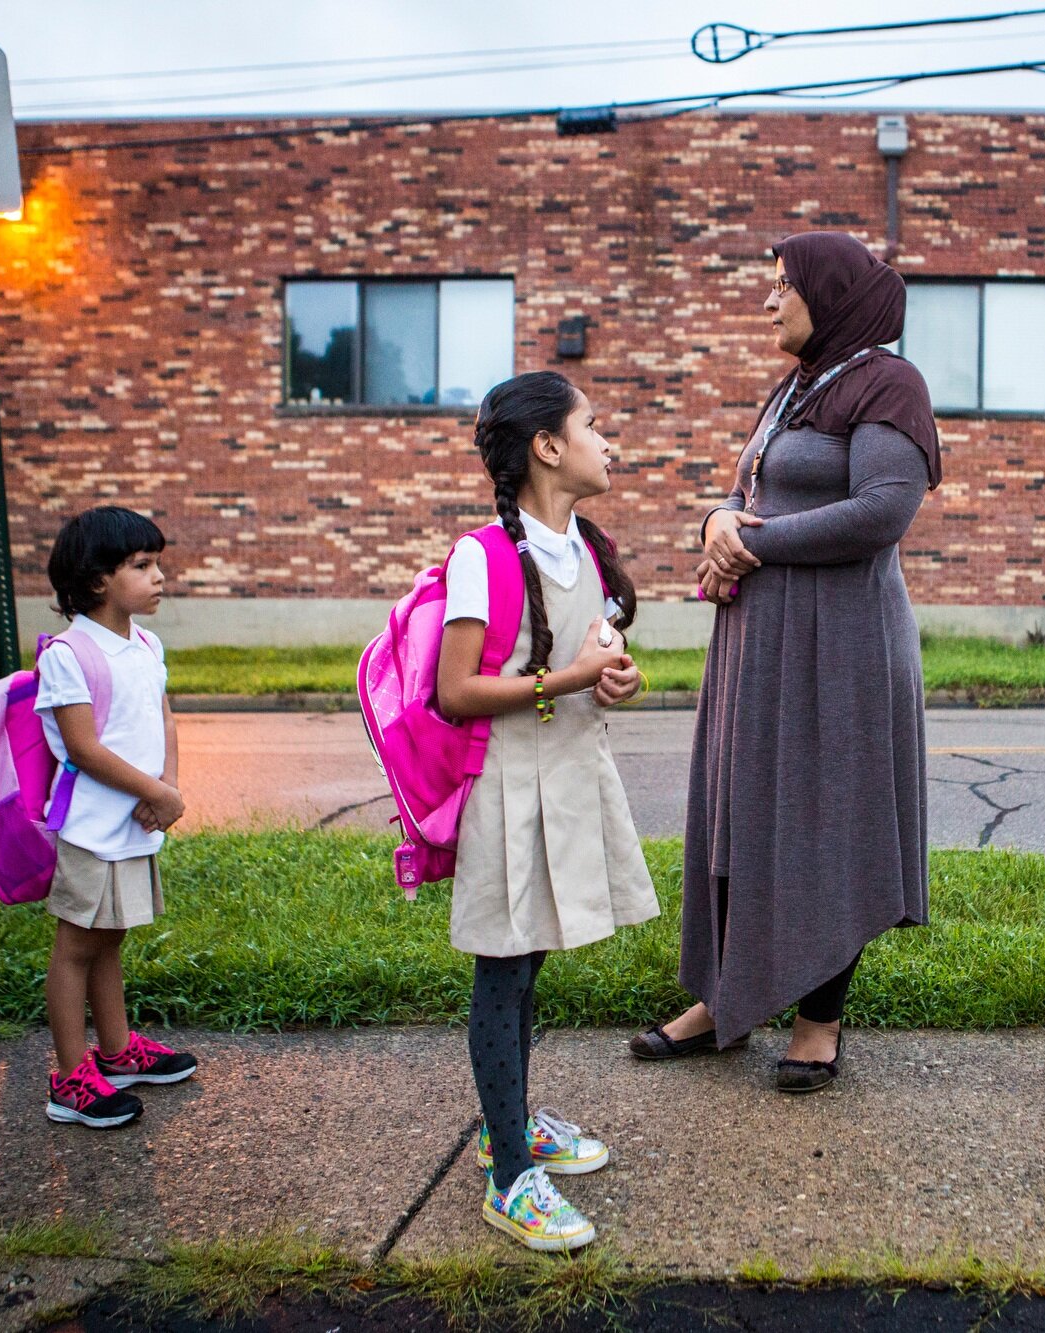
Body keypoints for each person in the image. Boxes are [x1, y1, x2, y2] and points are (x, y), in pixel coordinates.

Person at [631, 231, 940, 1094]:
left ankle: (817, 1021)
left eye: (781, 287)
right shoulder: (796, 389)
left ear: (829, 293)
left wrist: (750, 543)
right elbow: (750, 492)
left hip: (841, 647)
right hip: (757, 647)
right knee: (741, 810)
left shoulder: (888, 383)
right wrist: (715, 524)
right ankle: (723, 996)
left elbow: (881, 510)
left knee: (824, 826)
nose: (769, 302)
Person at [436, 370, 658, 1251]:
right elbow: (456, 691)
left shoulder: (588, 553)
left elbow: (598, 665)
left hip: (566, 780)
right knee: (504, 969)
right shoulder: (481, 554)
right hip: (504, 790)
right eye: (595, 426)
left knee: (530, 968)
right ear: (548, 447)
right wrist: (568, 678)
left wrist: (619, 679)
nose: (610, 441)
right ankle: (507, 1177)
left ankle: (512, 1120)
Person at [36, 506, 198, 1130]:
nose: (159, 577)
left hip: (134, 824)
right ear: (98, 579)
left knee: (112, 936)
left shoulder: (147, 644)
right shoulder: (70, 654)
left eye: (157, 563)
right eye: (142, 565)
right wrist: (157, 792)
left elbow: (164, 718)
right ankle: (70, 1078)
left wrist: (169, 789)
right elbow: (83, 748)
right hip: (90, 831)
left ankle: (117, 1049)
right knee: (77, 944)